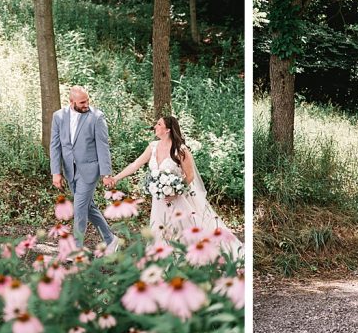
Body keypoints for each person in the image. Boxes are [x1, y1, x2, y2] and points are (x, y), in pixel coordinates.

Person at [111, 116, 241, 255]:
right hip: (159, 200)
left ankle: (192, 257)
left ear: (167, 130)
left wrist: (175, 192)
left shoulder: (180, 150)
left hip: (178, 199)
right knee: (160, 229)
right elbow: (135, 164)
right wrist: (116, 178)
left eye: (158, 124)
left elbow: (190, 176)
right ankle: (163, 259)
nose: (155, 126)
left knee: (185, 230)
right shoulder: (153, 147)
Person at [49, 86, 119, 254]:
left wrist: (106, 173)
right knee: (88, 207)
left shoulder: (96, 117)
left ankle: (76, 250)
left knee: (80, 208)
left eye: (87, 100)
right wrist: (56, 172)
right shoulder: (58, 116)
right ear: (71, 102)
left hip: (89, 170)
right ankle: (111, 239)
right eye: (82, 102)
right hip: (69, 170)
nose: (86, 104)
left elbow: (102, 147)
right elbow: (55, 145)